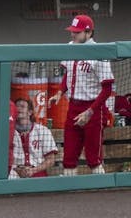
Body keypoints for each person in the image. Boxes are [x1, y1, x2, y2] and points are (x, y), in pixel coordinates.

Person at [49, 14, 115, 176]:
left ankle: (101, 193)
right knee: (69, 156)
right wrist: (59, 92)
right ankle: (69, 194)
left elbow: (107, 89)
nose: (73, 34)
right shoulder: (70, 46)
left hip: (93, 107)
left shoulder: (100, 53)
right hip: (73, 106)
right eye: (72, 31)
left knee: (93, 158)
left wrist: (90, 111)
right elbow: (68, 74)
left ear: (89, 32)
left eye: (77, 32)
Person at [10, 97, 58, 178]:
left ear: (30, 112)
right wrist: (18, 170)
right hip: (15, 173)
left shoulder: (43, 131)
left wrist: (33, 170)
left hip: (37, 172)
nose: (18, 108)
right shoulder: (8, 131)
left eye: (22, 106)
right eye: (16, 107)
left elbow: (50, 160)